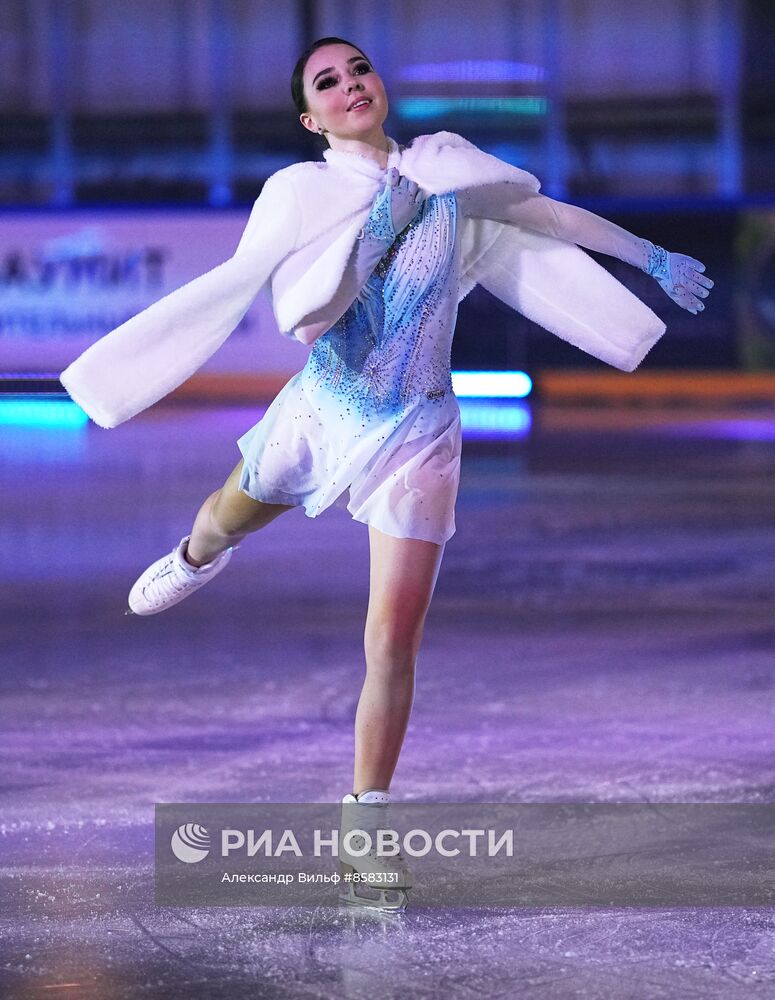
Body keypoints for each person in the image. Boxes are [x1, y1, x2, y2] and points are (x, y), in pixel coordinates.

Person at [122, 37, 713, 911]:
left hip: (420, 428)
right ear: (309, 117)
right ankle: (198, 553)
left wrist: (646, 256)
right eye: (328, 82)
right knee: (224, 515)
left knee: (390, 641)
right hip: (326, 412)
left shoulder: (444, 170)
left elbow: (543, 216)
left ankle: (366, 823)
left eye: (357, 69)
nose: (349, 85)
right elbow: (300, 311)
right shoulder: (299, 191)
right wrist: (376, 225)